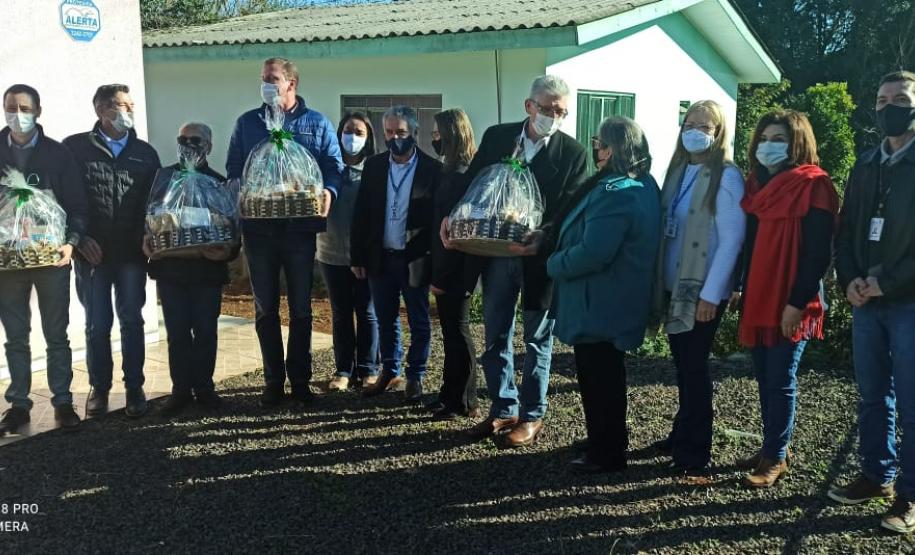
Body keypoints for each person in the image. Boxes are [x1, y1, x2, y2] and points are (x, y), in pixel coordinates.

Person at [446, 75, 588, 447]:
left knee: (538, 339)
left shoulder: (572, 154)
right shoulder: (498, 138)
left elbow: (572, 207)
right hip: (496, 252)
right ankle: (503, 406)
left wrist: (545, 234)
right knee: (495, 334)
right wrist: (453, 217)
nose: (553, 116)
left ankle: (532, 414)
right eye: (546, 109)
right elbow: (472, 186)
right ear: (529, 106)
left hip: (539, 260)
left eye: (560, 111)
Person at [226, 57, 343, 408]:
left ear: (291, 83)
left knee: (302, 308)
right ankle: (273, 381)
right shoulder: (248, 123)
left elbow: (333, 167)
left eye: (272, 79)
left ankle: (301, 380)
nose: (266, 85)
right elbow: (234, 166)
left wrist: (328, 192)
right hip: (259, 230)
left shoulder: (315, 123)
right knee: (264, 309)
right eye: (263, 79)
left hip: (299, 230)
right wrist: (240, 190)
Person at [546, 116, 660, 472]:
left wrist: (553, 263)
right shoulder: (639, 183)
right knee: (603, 376)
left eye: (600, 142)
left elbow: (595, 252)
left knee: (599, 378)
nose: (595, 147)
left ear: (612, 147)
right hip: (609, 299)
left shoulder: (619, 192)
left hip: (601, 302)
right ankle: (606, 437)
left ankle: (607, 452)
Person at [831, 70, 915, 534]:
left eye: (899, 99)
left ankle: (909, 497)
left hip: (907, 303)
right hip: (865, 300)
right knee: (871, 395)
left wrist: (890, 285)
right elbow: (847, 233)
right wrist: (849, 281)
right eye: (882, 101)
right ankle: (876, 474)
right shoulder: (865, 163)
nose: (889, 108)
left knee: (912, 402)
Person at [737, 109, 839, 488]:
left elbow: (817, 254)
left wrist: (796, 304)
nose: (768, 146)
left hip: (795, 298)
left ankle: (775, 459)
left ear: (797, 143)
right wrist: (739, 285)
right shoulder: (756, 186)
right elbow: (748, 245)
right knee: (765, 375)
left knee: (780, 377)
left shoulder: (815, 186)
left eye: (778, 139)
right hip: (759, 294)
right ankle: (775, 445)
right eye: (763, 139)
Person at [650, 100, 746, 474]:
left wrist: (711, 294)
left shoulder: (726, 176)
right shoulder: (678, 170)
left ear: (718, 132)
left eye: (705, 126)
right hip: (676, 286)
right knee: (682, 365)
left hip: (702, 291)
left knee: (694, 367)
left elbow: (732, 239)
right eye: (690, 123)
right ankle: (682, 432)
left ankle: (695, 451)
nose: (695, 131)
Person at [64, 84, 161, 419]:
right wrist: (77, 239)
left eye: (131, 105)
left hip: (132, 255)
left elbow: (154, 204)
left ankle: (134, 388)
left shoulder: (145, 153)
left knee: (132, 321)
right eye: (121, 105)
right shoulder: (75, 149)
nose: (128, 111)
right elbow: (63, 200)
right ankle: (100, 388)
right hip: (93, 255)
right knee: (96, 324)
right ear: (100, 110)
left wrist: (148, 236)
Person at [0, 84, 88, 434]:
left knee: (57, 333)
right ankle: (18, 404)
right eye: (10, 107)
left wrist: (72, 243)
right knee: (15, 335)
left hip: (51, 258)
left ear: (38, 111)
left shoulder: (57, 154)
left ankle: (63, 400)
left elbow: (77, 204)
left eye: (24, 108)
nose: (17, 115)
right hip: (7, 263)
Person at [143, 123, 238, 418]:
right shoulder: (164, 178)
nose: (188, 144)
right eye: (182, 139)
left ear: (208, 146)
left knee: (206, 331)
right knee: (178, 332)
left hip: (207, 272)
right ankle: (180, 390)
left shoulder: (218, 183)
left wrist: (228, 251)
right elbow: (150, 217)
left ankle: (205, 388)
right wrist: (147, 240)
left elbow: (232, 229)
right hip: (171, 271)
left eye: (195, 140)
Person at [351, 105, 440, 402]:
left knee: (418, 319)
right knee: (385, 317)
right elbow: (361, 214)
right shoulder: (375, 166)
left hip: (414, 257)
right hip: (381, 255)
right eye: (389, 132)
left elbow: (436, 221)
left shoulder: (431, 169)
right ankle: (390, 370)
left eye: (400, 132)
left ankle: (416, 375)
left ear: (413, 132)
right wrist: (357, 257)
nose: (394, 138)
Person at [318, 112, 380, 392]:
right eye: (347, 130)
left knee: (367, 313)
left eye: (358, 132)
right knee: (341, 313)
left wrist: (365, 254)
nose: (351, 137)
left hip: (363, 257)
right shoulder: (327, 169)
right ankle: (343, 369)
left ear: (368, 139)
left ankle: (369, 368)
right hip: (330, 253)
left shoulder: (374, 171)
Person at [428, 108, 480, 420]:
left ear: (451, 135)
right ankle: (449, 394)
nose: (434, 139)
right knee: (449, 333)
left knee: (459, 333)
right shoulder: (449, 171)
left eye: (437, 134)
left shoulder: (462, 175)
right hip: (446, 266)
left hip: (457, 270)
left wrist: (442, 277)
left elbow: (457, 234)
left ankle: (465, 400)